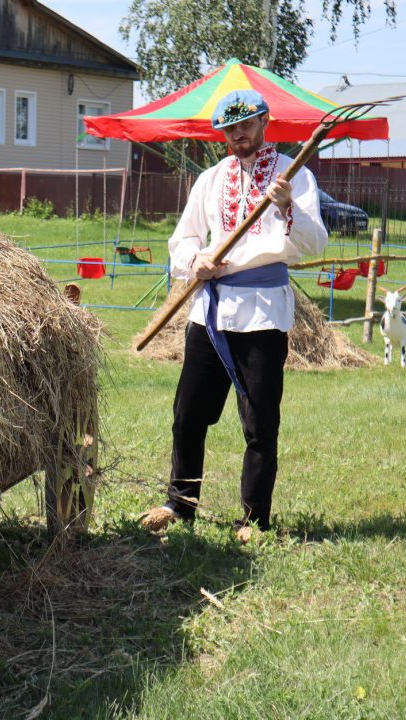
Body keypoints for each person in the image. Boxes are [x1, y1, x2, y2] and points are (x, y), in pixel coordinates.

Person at [139, 89, 328, 543]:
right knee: (187, 413)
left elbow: (315, 243)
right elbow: (184, 238)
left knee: (260, 422)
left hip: (263, 313)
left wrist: (286, 205)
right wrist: (196, 261)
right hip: (210, 311)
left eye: (246, 125)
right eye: (230, 128)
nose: (238, 134)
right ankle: (179, 503)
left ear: (264, 122)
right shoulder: (210, 179)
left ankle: (254, 519)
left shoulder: (293, 175)